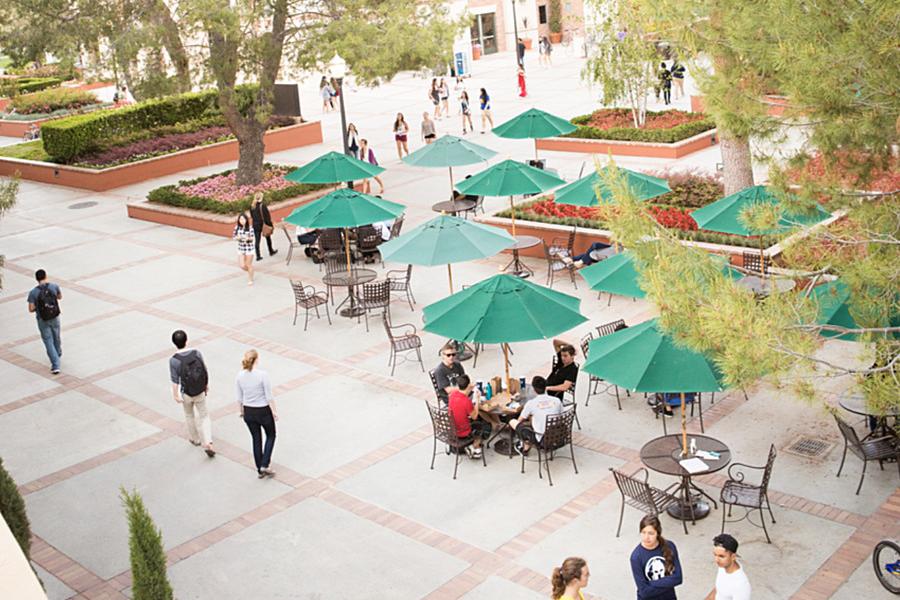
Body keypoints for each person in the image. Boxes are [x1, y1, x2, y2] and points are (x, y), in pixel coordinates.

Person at [169, 330, 215, 457]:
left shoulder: (174, 360)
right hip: (199, 390)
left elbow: (174, 380)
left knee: (189, 415)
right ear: (186, 340)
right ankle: (208, 440)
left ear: (174, 343)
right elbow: (204, 369)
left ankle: (196, 439)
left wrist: (175, 395)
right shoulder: (196, 353)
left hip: (186, 393)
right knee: (204, 415)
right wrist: (206, 385)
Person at [236, 349, 278, 478]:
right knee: (271, 435)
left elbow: (239, 397)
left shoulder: (240, 376)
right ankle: (265, 463)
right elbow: (269, 396)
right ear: (256, 360)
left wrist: (241, 411)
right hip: (263, 410)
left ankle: (259, 468)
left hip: (249, 411)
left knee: (256, 438)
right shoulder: (262, 375)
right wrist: (274, 411)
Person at [630, 514, 683, 600]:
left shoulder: (670, 546)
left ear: (658, 533)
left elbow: (678, 578)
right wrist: (668, 582)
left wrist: (651, 583)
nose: (646, 537)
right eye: (643, 532)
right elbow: (644, 592)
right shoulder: (636, 557)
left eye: (651, 533)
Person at [510, 376, 563, 455]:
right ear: (545, 387)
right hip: (558, 434)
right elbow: (561, 414)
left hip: (541, 439)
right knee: (534, 418)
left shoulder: (531, 403)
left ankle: (524, 444)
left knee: (513, 422)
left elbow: (520, 420)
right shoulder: (557, 400)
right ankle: (526, 444)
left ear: (534, 390)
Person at [26, 269, 62, 375]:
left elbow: (31, 309)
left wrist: (39, 306)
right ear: (46, 276)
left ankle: (55, 365)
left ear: (36, 279)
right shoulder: (54, 286)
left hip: (42, 319)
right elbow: (60, 297)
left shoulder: (33, 292)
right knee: (56, 337)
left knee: (48, 341)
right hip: (54, 316)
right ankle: (58, 353)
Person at [447, 374, 492, 459]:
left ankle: (473, 446)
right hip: (464, 432)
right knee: (486, 426)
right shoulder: (466, 401)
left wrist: (469, 388)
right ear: (468, 385)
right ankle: (474, 445)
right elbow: (474, 416)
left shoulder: (453, 394)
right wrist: (477, 400)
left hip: (453, 428)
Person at [705, 534, 751, 600]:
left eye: (721, 556)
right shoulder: (723, 566)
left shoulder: (741, 585)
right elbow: (718, 589)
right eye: (715, 555)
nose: (716, 560)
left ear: (733, 557)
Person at [249, 192, 278, 262]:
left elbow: (252, 216)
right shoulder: (263, 206)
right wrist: (270, 225)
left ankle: (258, 255)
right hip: (263, 225)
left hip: (255, 225)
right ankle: (271, 251)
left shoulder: (252, 206)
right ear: (261, 197)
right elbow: (267, 217)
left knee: (257, 240)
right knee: (268, 238)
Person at [233, 212, 255, 285]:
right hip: (241, 249)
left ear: (246, 220)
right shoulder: (237, 228)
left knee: (248, 264)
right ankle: (250, 271)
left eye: (243, 219)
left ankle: (250, 278)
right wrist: (237, 238)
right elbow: (234, 237)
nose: (242, 221)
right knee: (242, 265)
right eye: (240, 219)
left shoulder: (250, 228)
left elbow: (252, 238)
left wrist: (247, 239)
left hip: (249, 249)